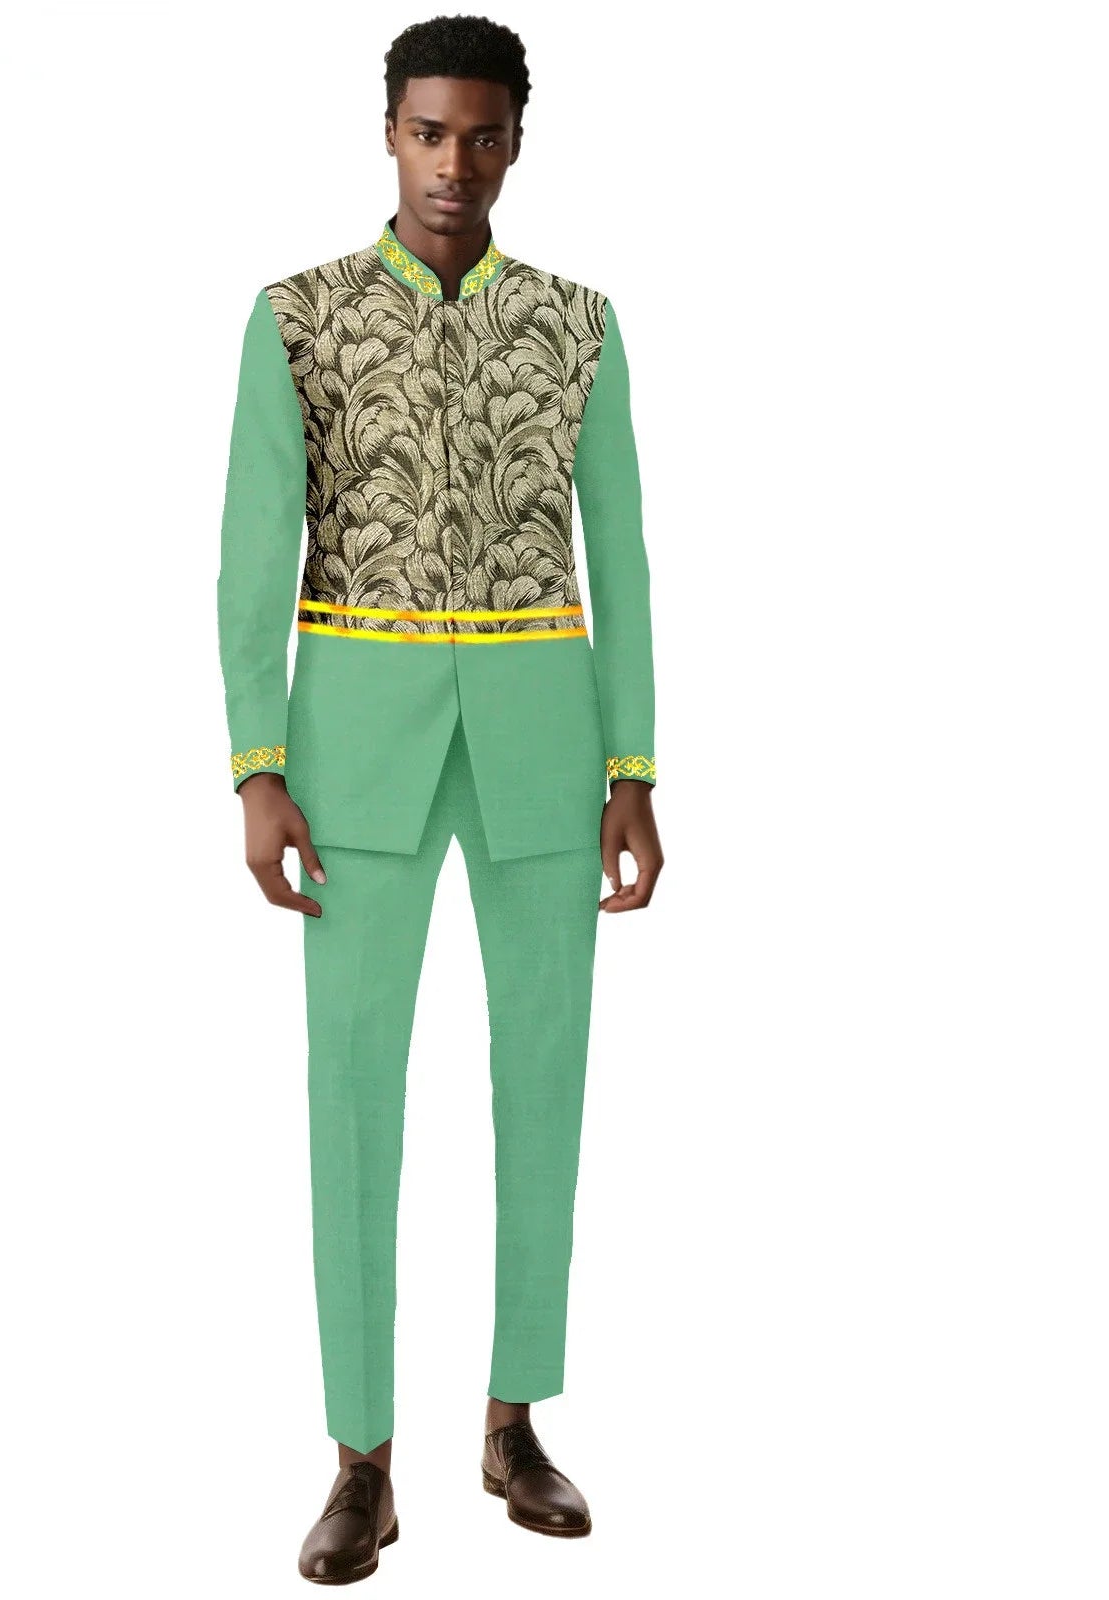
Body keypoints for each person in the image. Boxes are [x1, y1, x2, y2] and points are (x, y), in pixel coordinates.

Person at [215, 14, 662, 1584]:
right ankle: (362, 1459)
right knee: (352, 1095)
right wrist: (257, 766)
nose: (452, 163)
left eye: (481, 134)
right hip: (353, 752)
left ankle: (513, 1421)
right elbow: (250, 557)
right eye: (427, 132)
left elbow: (623, 558)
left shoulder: (581, 325)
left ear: (517, 141)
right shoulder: (299, 319)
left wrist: (634, 769)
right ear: (388, 134)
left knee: (543, 1084)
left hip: (545, 740)